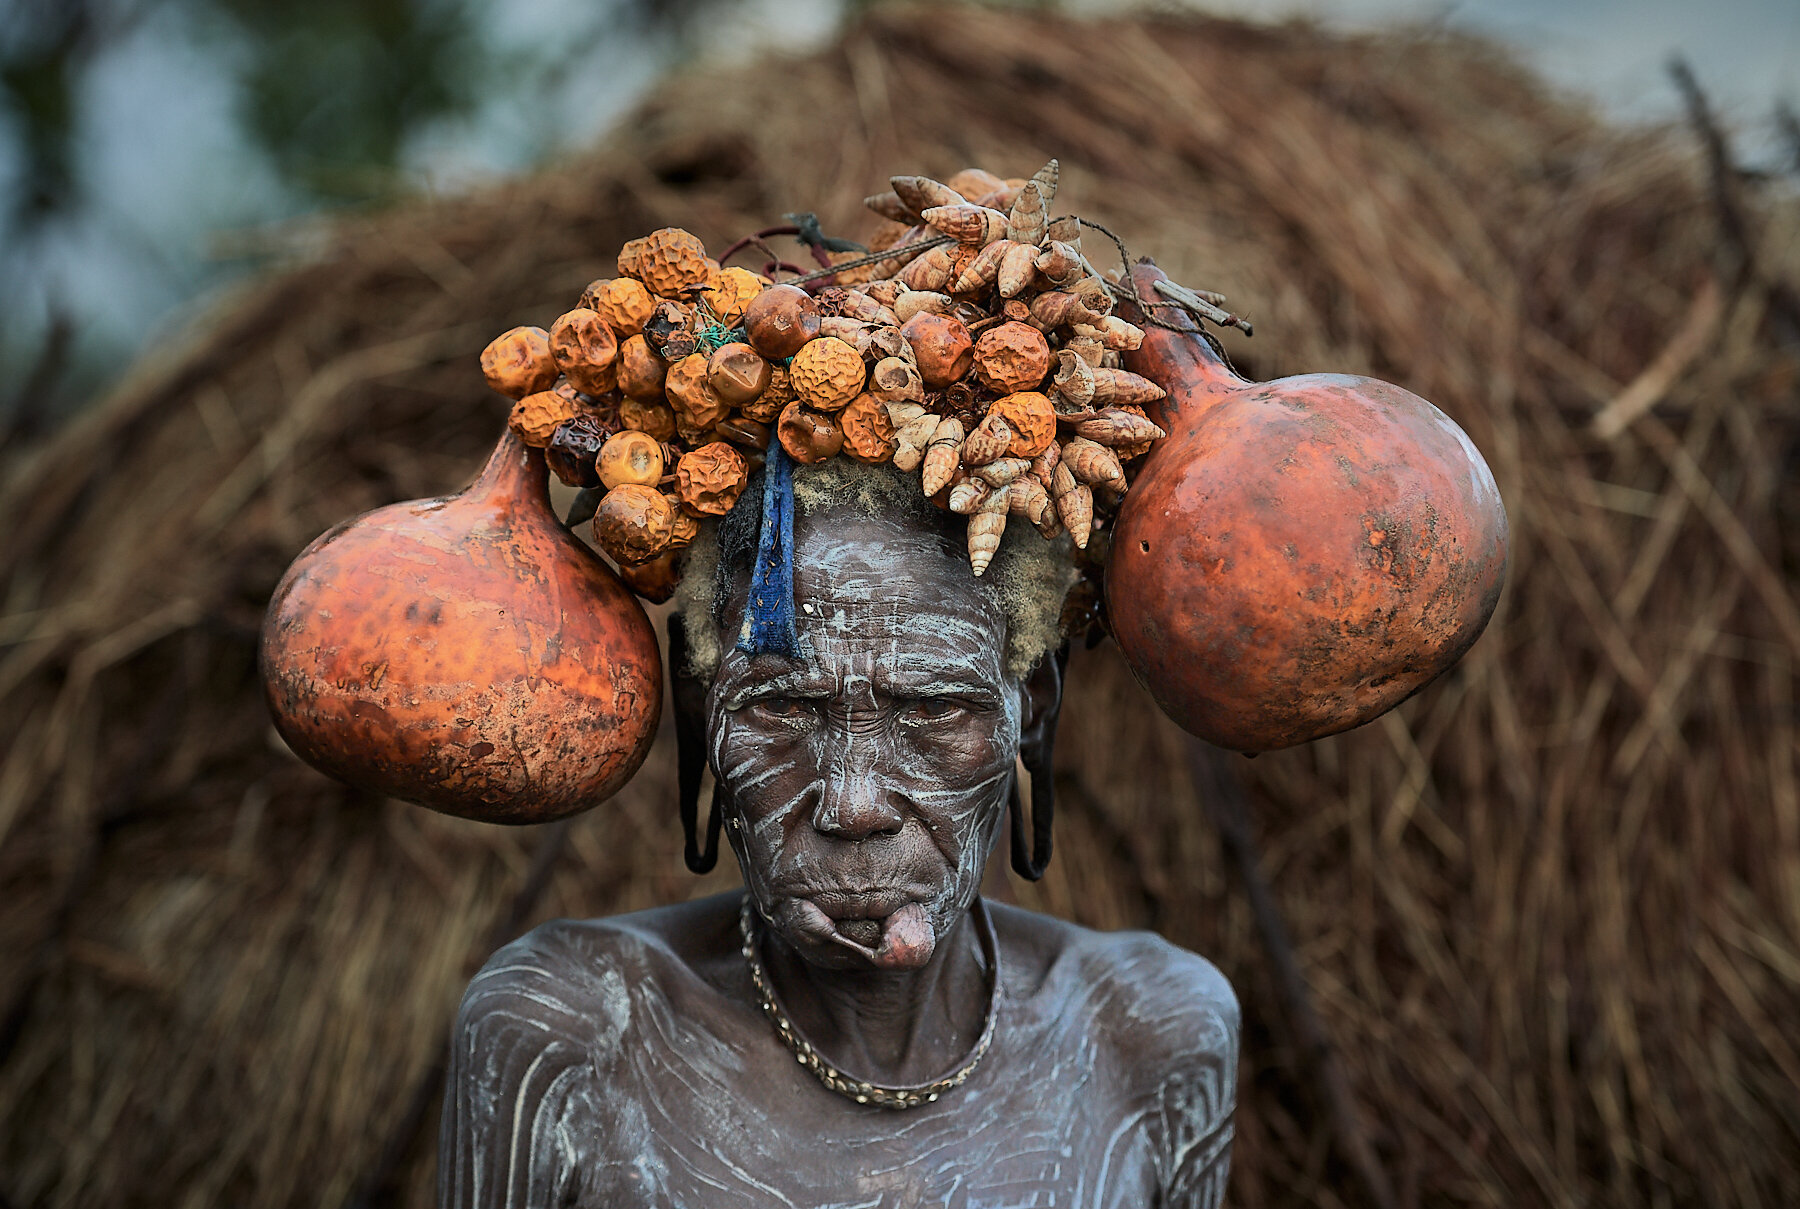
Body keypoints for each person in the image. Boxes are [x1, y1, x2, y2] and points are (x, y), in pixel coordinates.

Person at [439, 456, 1239, 1207]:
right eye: (782, 708)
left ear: (1030, 708)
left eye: (933, 709)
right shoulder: (568, 1037)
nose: (852, 806)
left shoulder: (1153, 1037)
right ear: (698, 710)